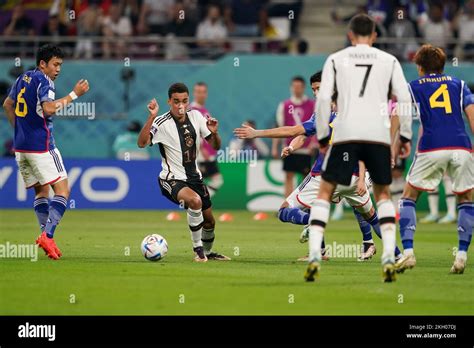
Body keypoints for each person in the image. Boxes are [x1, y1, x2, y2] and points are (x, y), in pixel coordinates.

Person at [234, 71, 402, 262]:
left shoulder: (326, 113)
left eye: (319, 88)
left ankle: (314, 224)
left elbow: (293, 130)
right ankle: (397, 254)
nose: (316, 93)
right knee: (372, 216)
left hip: (327, 175)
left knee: (284, 210)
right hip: (355, 177)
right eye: (313, 89)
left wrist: (257, 133)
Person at [307, 14, 412, 282]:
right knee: (384, 195)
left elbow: (322, 102)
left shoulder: (335, 59)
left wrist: (321, 138)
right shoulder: (389, 61)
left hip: (344, 134)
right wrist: (406, 137)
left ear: (350, 35)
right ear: (375, 36)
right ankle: (389, 257)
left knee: (325, 192)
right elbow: (403, 99)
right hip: (377, 135)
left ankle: (315, 256)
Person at [2, 44, 90, 260]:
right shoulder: (44, 80)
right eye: (55, 64)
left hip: (21, 147)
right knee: (63, 191)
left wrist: (19, 130)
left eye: (60, 65)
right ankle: (48, 235)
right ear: (43, 64)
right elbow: (49, 108)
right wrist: (74, 95)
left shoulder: (23, 78)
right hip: (42, 146)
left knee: (42, 192)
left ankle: (46, 237)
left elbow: (7, 104)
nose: (58, 69)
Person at [396, 44, 474, 275]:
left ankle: (408, 253)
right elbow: (471, 114)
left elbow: (397, 112)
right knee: (467, 199)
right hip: (461, 145)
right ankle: (461, 256)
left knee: (408, 196)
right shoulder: (459, 85)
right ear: (442, 65)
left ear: (419, 66)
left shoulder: (413, 86)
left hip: (432, 145)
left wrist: (399, 141)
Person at [137, 83, 230, 262]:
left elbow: (216, 146)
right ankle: (198, 251)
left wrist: (215, 133)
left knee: (210, 222)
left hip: (195, 178)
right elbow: (141, 143)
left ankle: (209, 253)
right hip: (171, 180)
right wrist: (151, 116)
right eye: (176, 101)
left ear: (188, 101)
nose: (181, 105)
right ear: (169, 101)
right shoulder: (161, 122)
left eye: (184, 101)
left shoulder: (196, 116)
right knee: (195, 202)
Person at [272, 76, 316, 198]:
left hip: (305, 148)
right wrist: (275, 147)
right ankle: (288, 205)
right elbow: (279, 128)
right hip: (289, 147)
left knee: (306, 177)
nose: (297, 89)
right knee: (288, 176)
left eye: (299, 87)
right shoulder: (284, 105)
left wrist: (313, 143)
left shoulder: (312, 105)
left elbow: (317, 125)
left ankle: (304, 206)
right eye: (294, 87)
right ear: (291, 88)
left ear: (303, 88)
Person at [190, 82, 224, 197]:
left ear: (206, 94)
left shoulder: (203, 110)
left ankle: (197, 204)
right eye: (198, 92)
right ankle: (200, 202)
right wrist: (201, 149)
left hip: (207, 152)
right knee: (216, 180)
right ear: (194, 93)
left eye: (203, 92)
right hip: (200, 154)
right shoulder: (192, 110)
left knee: (198, 183)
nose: (201, 95)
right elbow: (193, 132)